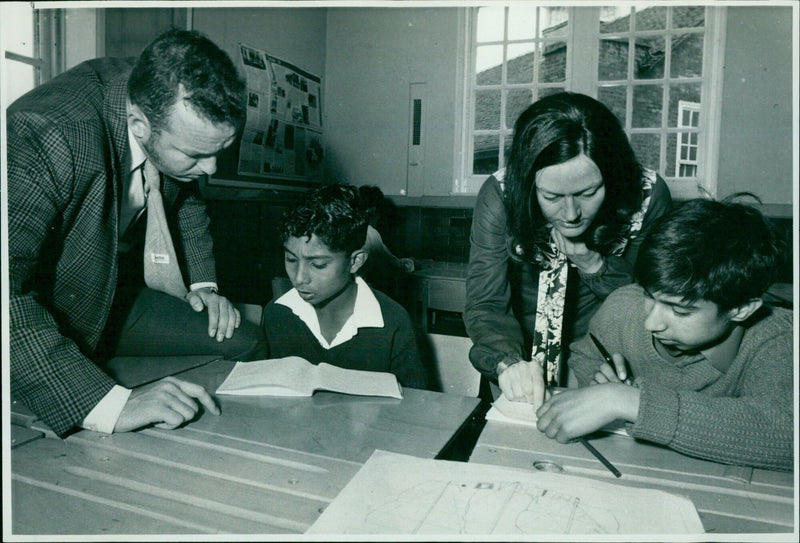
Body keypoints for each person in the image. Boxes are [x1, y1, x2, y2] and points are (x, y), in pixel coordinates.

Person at [8, 29, 265, 438]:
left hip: (108, 290)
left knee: (243, 340)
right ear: (139, 126)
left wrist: (205, 285)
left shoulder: (161, 97)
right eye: (197, 154)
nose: (212, 170)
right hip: (35, 311)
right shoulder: (47, 132)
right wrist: (109, 403)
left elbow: (187, 193)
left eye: (219, 152)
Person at [536, 197, 793, 471]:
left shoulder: (778, 338)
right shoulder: (623, 308)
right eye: (649, 296)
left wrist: (628, 401)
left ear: (741, 309)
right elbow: (584, 360)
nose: (651, 322)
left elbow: (787, 435)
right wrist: (598, 385)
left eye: (680, 311)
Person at [464, 92, 672, 406]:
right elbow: (486, 302)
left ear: (612, 177)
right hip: (516, 345)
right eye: (552, 197)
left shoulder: (648, 194)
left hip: (607, 355)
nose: (572, 213)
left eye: (588, 192)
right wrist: (508, 363)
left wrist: (594, 265)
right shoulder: (500, 195)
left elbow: (648, 302)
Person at [261, 184, 429, 389]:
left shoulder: (393, 323)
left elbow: (415, 408)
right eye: (291, 259)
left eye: (318, 264)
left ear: (355, 262)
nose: (299, 278)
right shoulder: (277, 314)